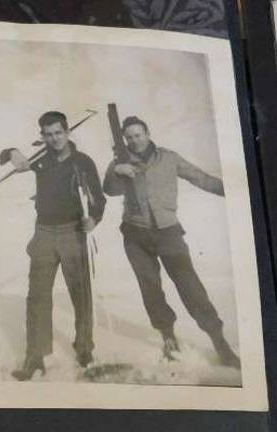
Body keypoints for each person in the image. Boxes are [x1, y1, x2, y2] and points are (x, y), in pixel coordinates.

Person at [103, 115, 240, 368]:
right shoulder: (121, 162)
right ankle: (168, 337)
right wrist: (115, 170)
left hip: (169, 234)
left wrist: (235, 189)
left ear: (147, 132)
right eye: (129, 137)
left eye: (138, 134)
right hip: (136, 236)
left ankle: (219, 340)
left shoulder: (169, 158)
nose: (135, 140)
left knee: (190, 286)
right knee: (151, 288)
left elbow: (201, 178)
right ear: (125, 139)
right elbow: (110, 190)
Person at [0, 111, 106, 380]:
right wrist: (12, 152)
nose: (54, 139)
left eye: (58, 132)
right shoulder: (40, 160)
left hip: (73, 232)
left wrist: (94, 218)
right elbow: (3, 158)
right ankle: (35, 357)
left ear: (67, 132)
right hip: (44, 232)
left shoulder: (83, 163)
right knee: (37, 296)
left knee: (81, 295)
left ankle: (84, 348)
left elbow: (98, 199)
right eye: (48, 134)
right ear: (42, 136)